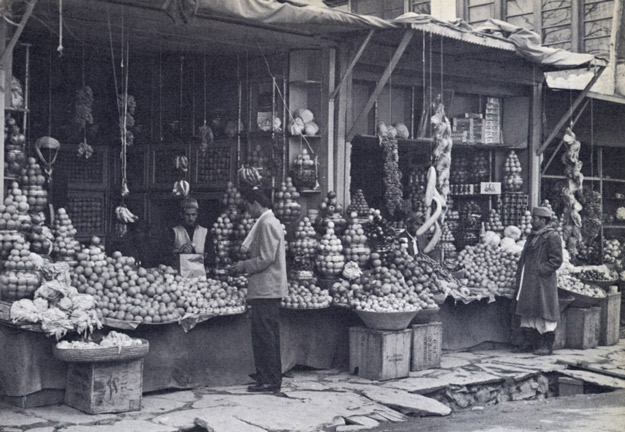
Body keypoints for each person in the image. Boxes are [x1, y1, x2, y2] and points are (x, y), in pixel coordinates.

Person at [230, 188, 287, 393]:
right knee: (265, 336)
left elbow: (266, 258)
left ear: (256, 203)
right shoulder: (267, 222)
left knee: (266, 337)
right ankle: (266, 376)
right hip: (265, 289)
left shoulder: (268, 223)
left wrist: (243, 266)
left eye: (249, 207)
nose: (248, 211)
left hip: (267, 289)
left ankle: (270, 380)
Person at [514, 206, 563, 355]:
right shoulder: (531, 236)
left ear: (543, 220)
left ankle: (546, 346)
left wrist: (540, 270)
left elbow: (556, 260)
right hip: (529, 279)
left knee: (544, 312)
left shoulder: (552, 236)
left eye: (535, 219)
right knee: (529, 311)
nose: (532, 221)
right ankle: (530, 342)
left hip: (543, 281)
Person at [169, 197, 210, 267]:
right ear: (181, 215)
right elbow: (166, 256)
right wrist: (179, 251)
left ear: (197, 215)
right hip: (180, 273)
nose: (190, 218)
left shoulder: (205, 232)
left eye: (193, 215)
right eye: (187, 215)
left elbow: (210, 256)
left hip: (200, 274)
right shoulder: (174, 232)